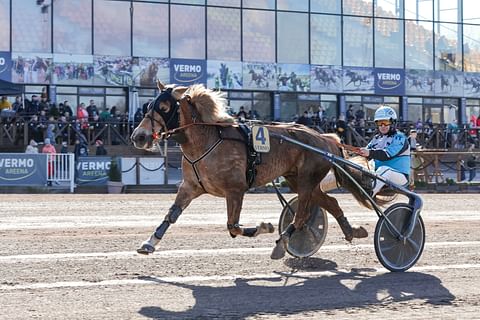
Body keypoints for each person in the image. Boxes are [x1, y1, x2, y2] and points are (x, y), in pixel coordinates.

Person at [359, 105, 410, 196]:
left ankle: (368, 193)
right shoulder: (376, 138)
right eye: (379, 123)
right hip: (380, 175)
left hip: (400, 177)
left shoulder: (400, 138)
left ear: (393, 123)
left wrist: (369, 152)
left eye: (386, 122)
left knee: (384, 169)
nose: (383, 126)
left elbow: (386, 155)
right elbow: (365, 152)